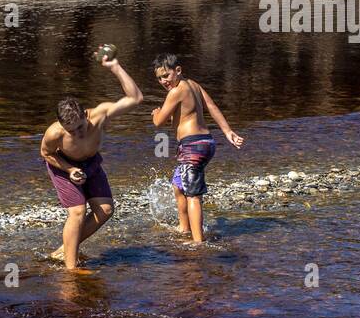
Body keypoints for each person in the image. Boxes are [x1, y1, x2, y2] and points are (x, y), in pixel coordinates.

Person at [40, 51, 143, 268]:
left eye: (80, 127)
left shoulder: (100, 115)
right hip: (64, 166)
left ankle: (63, 251)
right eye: (71, 131)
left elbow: (135, 99)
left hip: (91, 163)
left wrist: (115, 67)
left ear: (85, 116)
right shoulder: (54, 133)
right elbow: (46, 154)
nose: (77, 133)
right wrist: (68, 170)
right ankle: (71, 269)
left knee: (105, 210)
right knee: (78, 212)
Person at [150, 53, 243, 243]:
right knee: (178, 185)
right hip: (206, 143)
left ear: (178, 70)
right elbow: (212, 106)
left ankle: (197, 241)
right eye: (159, 78)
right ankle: (184, 228)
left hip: (192, 147)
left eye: (166, 75)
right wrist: (227, 131)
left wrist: (156, 113)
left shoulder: (175, 92)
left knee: (193, 195)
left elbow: (159, 122)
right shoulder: (194, 85)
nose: (163, 81)